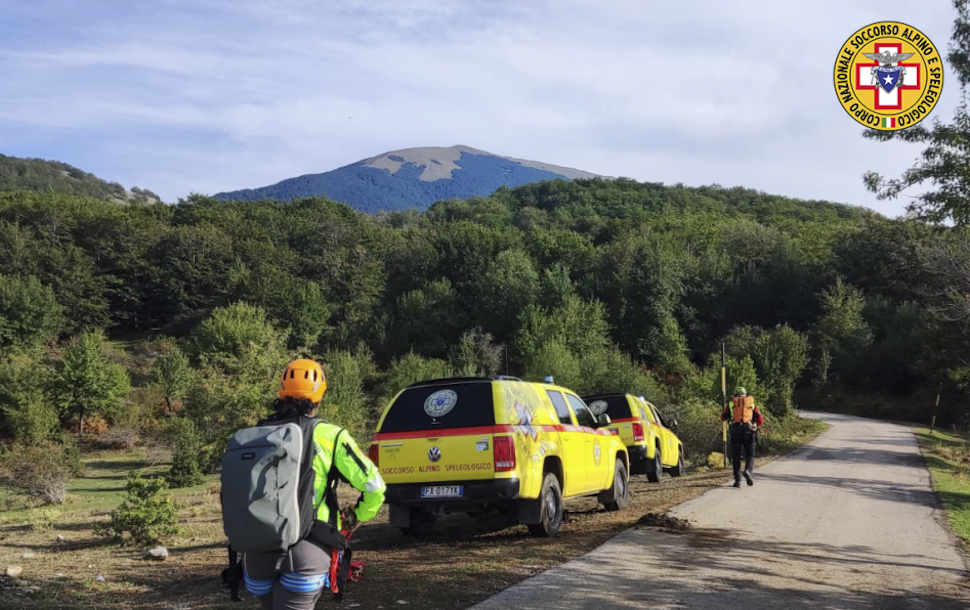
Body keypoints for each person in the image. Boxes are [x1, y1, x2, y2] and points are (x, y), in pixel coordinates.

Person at [242, 359, 385, 610]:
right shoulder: (330, 435)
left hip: (257, 553)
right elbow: (374, 486)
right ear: (320, 396)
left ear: (282, 392)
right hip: (307, 549)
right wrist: (354, 518)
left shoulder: (258, 433)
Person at [721, 386, 764, 488]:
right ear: (745, 394)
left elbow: (723, 417)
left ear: (735, 394)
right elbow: (760, 419)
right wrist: (755, 425)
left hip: (735, 431)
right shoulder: (751, 404)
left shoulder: (732, 403)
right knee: (750, 455)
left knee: (736, 457)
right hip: (749, 430)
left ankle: (737, 481)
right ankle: (748, 471)